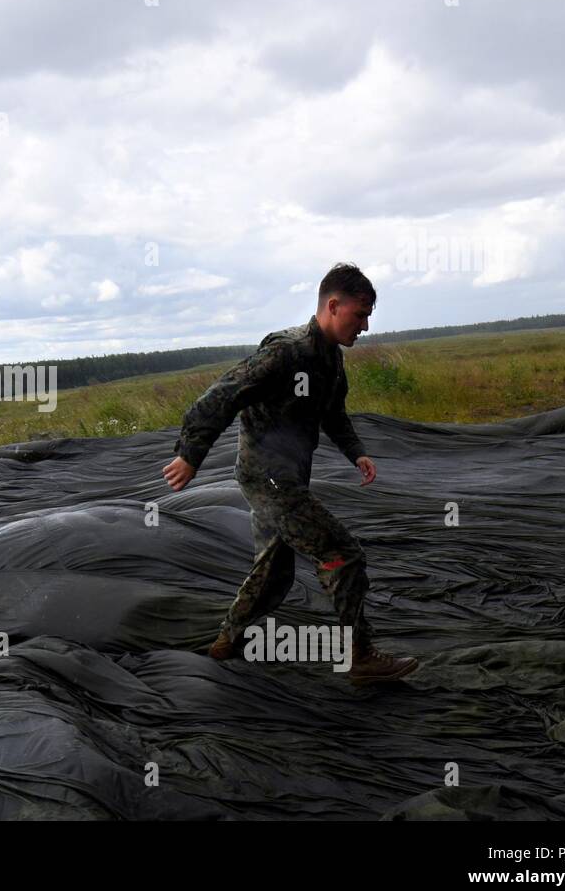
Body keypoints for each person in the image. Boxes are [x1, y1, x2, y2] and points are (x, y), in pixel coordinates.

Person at [162, 263, 419, 685]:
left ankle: (226, 643)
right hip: (269, 479)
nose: (366, 325)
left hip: (288, 478)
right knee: (343, 554)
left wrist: (357, 453)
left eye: (369, 315)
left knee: (274, 570)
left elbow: (333, 413)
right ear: (332, 306)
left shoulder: (330, 361)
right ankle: (359, 656)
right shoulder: (287, 351)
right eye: (360, 314)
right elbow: (222, 395)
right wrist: (191, 454)